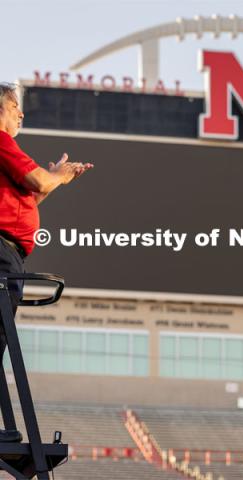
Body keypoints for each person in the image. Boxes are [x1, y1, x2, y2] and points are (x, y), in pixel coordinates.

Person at [0, 83, 93, 442]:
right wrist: (56, 176)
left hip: (10, 252)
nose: (20, 113)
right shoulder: (2, 142)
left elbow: (27, 199)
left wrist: (57, 178)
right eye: (12, 106)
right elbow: (37, 179)